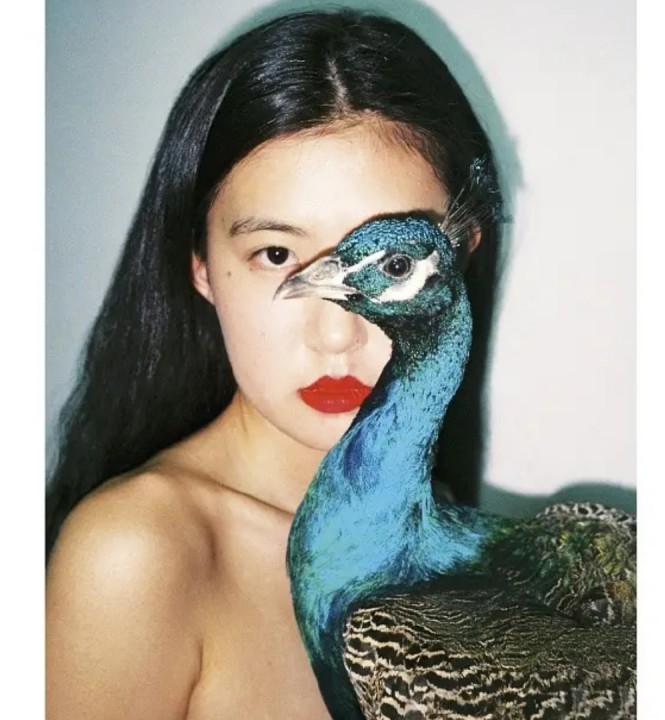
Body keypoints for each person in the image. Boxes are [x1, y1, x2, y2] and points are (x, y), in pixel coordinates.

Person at [45, 8, 503, 719]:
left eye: (396, 262)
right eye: (277, 253)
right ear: (201, 265)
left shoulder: (458, 542)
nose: (336, 335)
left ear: (458, 260)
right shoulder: (136, 557)